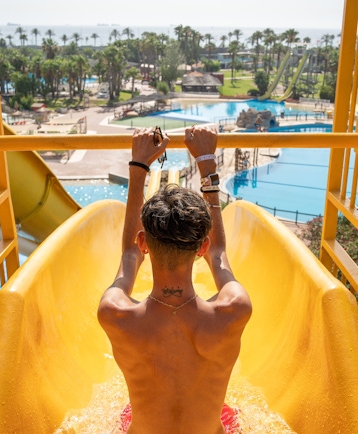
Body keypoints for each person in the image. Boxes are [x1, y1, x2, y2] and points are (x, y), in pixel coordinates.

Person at [97, 126, 252, 433]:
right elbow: (219, 251)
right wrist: (206, 162)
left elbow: (129, 255)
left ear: (145, 243)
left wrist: (139, 166)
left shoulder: (114, 313)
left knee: (123, 413)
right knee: (231, 413)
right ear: (201, 246)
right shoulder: (235, 308)